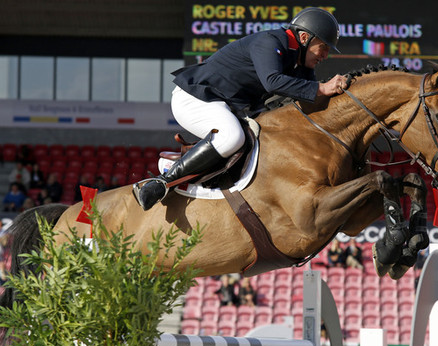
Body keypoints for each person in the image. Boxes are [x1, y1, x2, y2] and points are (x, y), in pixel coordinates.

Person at [132, 7, 347, 211]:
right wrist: (322, 87)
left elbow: (309, 103)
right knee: (232, 137)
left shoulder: (300, 64)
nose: (325, 55)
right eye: (324, 47)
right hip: (195, 98)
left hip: (225, 105)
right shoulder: (270, 41)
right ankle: (161, 183)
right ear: (304, 38)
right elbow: (272, 81)